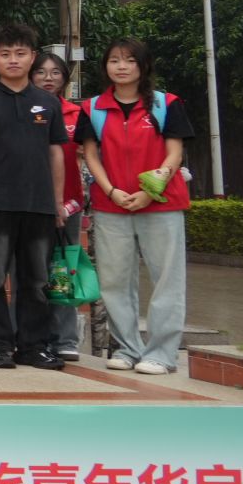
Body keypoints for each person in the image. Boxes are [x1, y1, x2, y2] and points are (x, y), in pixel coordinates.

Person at [0, 23, 68, 371]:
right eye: (5, 54)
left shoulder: (48, 102)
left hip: (39, 205)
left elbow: (56, 153)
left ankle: (34, 346)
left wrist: (57, 202)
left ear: (32, 57)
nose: (13, 60)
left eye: (20, 53)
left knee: (36, 281)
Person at [82, 37, 192, 375]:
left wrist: (151, 190)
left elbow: (174, 153)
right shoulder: (92, 108)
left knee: (167, 279)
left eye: (130, 60)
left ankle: (162, 353)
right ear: (105, 67)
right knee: (114, 280)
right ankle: (127, 349)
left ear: (143, 66)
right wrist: (112, 191)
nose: (122, 67)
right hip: (111, 205)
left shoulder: (166, 104)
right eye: (114, 60)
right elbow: (90, 155)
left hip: (161, 204)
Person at [32, 50, 87, 362]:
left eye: (55, 73)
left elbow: (88, 157)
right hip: (30, 206)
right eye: (41, 72)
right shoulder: (24, 111)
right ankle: (32, 335)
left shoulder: (77, 115)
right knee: (32, 273)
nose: (48, 78)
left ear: (65, 79)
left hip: (68, 206)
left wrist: (66, 206)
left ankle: (65, 339)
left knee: (63, 271)